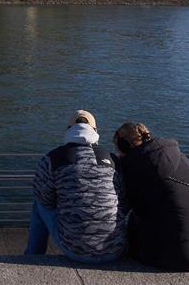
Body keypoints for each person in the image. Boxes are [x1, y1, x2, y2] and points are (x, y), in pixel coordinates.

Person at [113, 122, 189, 271]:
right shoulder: (178, 155)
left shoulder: (134, 166)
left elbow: (125, 206)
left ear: (124, 145)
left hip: (174, 255)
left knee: (133, 221)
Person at [25, 110, 128, 263]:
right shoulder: (112, 160)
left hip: (74, 249)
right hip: (115, 249)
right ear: (96, 131)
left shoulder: (52, 159)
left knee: (38, 204)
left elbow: (46, 201)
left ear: (69, 130)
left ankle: (33, 257)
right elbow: (124, 201)